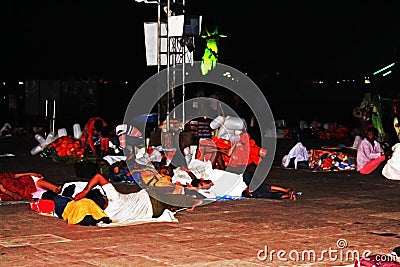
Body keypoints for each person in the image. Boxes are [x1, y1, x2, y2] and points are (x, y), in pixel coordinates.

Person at [74, 173, 203, 222]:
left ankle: (185, 194)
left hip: (153, 213)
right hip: (152, 198)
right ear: (104, 197)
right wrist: (85, 191)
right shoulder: (115, 197)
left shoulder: (106, 215)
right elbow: (97, 176)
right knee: (170, 194)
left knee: (170, 196)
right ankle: (194, 200)